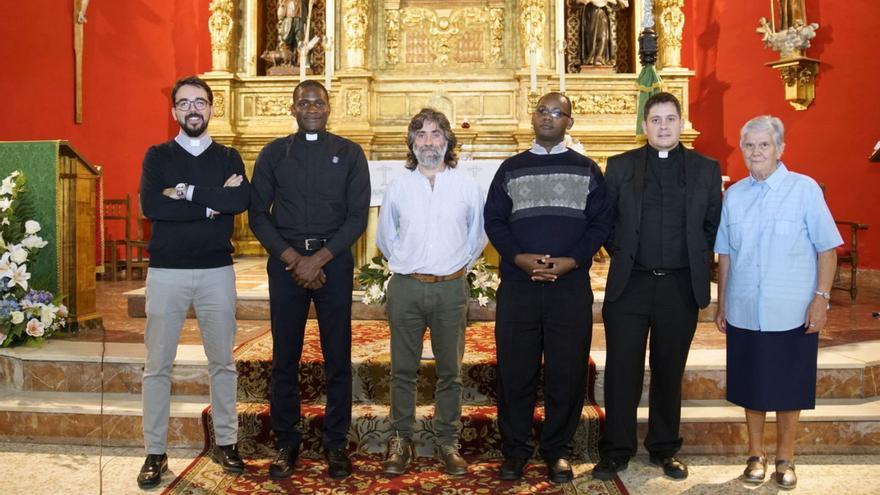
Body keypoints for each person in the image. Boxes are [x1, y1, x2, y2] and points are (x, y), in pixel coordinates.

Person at [593, 92, 722, 481]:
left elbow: (712, 224)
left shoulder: (705, 168)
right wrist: (625, 253)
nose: (663, 126)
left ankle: (664, 448)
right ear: (644, 125)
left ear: (680, 123)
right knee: (622, 370)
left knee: (669, 369)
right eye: (655, 120)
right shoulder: (618, 166)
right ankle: (617, 449)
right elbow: (606, 222)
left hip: (680, 287)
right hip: (630, 285)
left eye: (670, 119)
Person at [484, 92, 612, 484]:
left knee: (567, 372)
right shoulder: (511, 168)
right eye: (542, 110)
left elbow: (601, 223)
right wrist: (519, 258)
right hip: (520, 288)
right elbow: (494, 220)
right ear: (533, 117)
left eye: (557, 113)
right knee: (515, 371)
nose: (548, 117)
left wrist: (571, 260)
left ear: (569, 123)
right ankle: (516, 450)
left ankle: (557, 450)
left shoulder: (587, 169)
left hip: (569, 288)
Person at [249, 80, 370, 480]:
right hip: (286, 263)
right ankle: (287, 442)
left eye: (318, 101)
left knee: (338, 356)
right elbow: (257, 215)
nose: (312, 107)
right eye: (304, 102)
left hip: (332, 261)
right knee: (286, 356)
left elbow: (356, 216)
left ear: (329, 106)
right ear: (293, 108)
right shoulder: (273, 153)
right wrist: (292, 259)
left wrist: (318, 259)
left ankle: (336, 444)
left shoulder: (350, 153)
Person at [714, 115, 841, 490]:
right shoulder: (734, 195)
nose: (756, 152)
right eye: (749, 145)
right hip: (744, 310)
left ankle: (786, 458)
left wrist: (821, 299)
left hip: (792, 312)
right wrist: (722, 303)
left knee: (789, 389)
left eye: (764, 145)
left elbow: (827, 250)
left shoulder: (804, 190)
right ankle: (755, 455)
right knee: (750, 388)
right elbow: (725, 254)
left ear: (780, 149)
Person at [137, 75, 250, 488]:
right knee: (157, 367)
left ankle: (226, 441)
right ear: (174, 112)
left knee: (222, 362)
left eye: (200, 102)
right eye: (184, 103)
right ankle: (155, 451)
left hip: (216, 272)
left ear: (212, 108)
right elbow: (152, 206)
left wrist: (182, 193)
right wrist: (207, 204)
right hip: (166, 271)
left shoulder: (228, 157)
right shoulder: (157, 156)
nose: (192, 110)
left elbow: (238, 202)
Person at [376, 108, 487, 477]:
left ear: (448, 141)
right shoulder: (398, 186)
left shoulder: (466, 186)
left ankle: (447, 441)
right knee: (403, 370)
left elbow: (477, 237)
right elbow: (386, 238)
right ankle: (401, 439)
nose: (428, 142)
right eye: (421, 135)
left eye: (436, 134)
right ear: (411, 142)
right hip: (407, 287)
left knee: (450, 371)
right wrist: (409, 265)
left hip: (450, 289)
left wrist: (456, 268)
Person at [577, 0, 629, 66]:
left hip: (603, 12)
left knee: (604, 36)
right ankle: (591, 58)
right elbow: (577, 1)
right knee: (591, 38)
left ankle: (599, 57)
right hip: (590, 13)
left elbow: (624, 4)